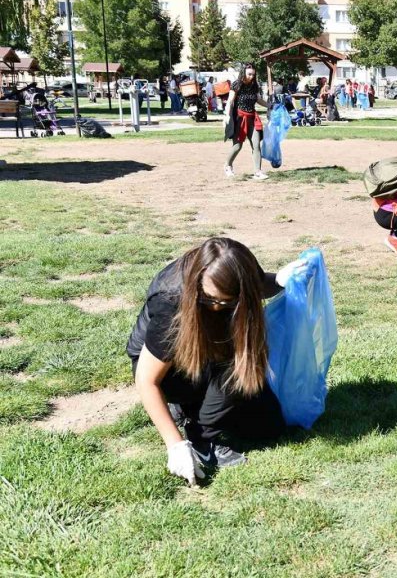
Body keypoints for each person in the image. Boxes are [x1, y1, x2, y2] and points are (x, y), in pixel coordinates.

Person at [127, 237, 305, 485]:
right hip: (172, 371)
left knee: (269, 427)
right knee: (240, 354)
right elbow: (147, 379)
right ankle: (201, 438)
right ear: (197, 282)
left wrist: (278, 280)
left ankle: (190, 408)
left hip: (209, 354)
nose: (216, 307)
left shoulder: (237, 268)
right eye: (210, 300)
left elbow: (257, 286)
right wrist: (175, 445)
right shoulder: (171, 302)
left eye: (227, 302)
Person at [224, 64, 268, 181]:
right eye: (249, 74)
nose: (251, 77)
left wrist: (270, 105)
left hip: (252, 118)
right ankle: (228, 165)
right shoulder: (237, 85)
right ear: (244, 73)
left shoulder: (254, 86)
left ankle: (258, 172)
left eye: (253, 74)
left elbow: (258, 99)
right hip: (239, 118)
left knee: (256, 144)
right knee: (238, 146)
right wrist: (227, 115)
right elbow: (230, 101)